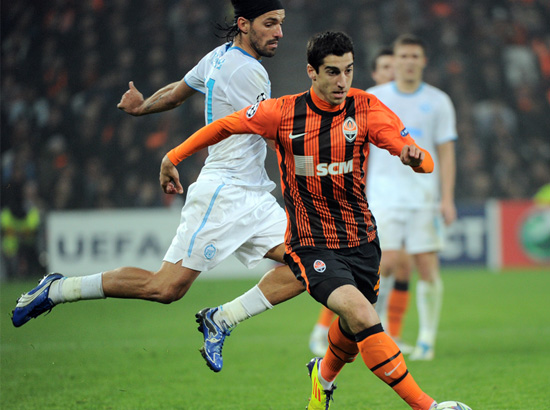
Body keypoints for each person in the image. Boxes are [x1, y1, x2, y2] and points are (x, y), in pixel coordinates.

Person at [12, 0, 305, 373]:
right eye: (270, 23)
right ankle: (56, 289)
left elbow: (179, 89)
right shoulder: (248, 73)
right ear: (244, 24)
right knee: (165, 288)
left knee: (309, 263)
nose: (279, 32)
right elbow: (268, 130)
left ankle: (222, 319)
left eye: (280, 23)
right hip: (224, 194)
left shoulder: (219, 56)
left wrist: (142, 107)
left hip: (253, 195)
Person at [160, 30, 438, 410]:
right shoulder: (283, 113)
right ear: (312, 72)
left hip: (362, 240)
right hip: (311, 243)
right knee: (362, 314)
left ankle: (321, 378)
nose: (342, 81)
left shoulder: (367, 108)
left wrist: (415, 158)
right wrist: (173, 156)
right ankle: (429, 406)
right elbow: (225, 125)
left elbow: (425, 160)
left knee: (354, 328)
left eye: (349, 71)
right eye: (332, 72)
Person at [308, 46, 404, 356]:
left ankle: (387, 331)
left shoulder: (397, 104)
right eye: (386, 67)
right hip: (366, 199)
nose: (393, 72)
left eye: (396, 66)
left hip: (398, 196)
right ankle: (324, 330)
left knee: (396, 268)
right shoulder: (355, 101)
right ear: (375, 74)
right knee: (370, 270)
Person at [367, 34, 458, 361]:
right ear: (397, 60)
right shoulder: (374, 98)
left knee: (427, 266)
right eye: (403, 55)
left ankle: (427, 341)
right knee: (385, 264)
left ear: (422, 61)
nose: (408, 61)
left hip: (424, 197)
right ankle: (384, 333)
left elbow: (446, 153)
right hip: (382, 196)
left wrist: (447, 198)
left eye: (413, 56)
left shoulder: (438, 101)